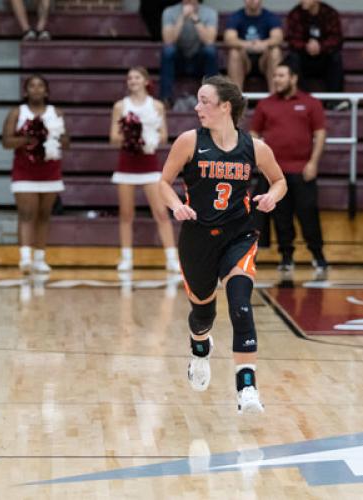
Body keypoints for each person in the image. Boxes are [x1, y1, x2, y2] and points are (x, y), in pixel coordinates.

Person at [159, 75, 287, 413]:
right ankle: (200, 349)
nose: (197, 107)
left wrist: (272, 197)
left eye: (204, 101)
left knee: (241, 305)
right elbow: (163, 183)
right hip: (197, 238)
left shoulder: (255, 147)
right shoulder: (189, 141)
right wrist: (176, 205)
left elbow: (280, 180)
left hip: (238, 236)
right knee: (203, 314)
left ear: (225, 106)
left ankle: (247, 388)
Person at [250, 61, 328, 274]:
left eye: (281, 75)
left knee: (308, 214)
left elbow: (320, 133)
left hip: (303, 170)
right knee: (280, 217)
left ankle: (318, 256)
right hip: (275, 174)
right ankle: (286, 257)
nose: (277, 79)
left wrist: (313, 162)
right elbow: (254, 133)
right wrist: (261, 159)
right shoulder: (265, 104)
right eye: (275, 76)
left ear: (293, 78)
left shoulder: (310, 103)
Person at [110, 66, 180, 273]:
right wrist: (131, 137)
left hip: (149, 165)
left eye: (137, 77)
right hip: (126, 164)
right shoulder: (120, 106)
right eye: (129, 77)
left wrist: (146, 138)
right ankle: (126, 258)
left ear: (145, 81)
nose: (132, 80)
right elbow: (113, 138)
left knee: (161, 212)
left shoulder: (157, 106)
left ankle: (171, 258)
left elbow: (163, 136)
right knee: (126, 214)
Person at [2, 74, 69, 274]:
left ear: (47, 91)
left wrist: (50, 135)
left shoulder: (56, 112)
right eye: (32, 86)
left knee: (44, 215)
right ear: (26, 91)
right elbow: (6, 142)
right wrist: (29, 138)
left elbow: (66, 143)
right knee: (26, 214)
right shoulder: (17, 112)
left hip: (50, 171)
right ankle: (25, 258)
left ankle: (40, 258)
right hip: (24, 171)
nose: (37, 89)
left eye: (41, 86)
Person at [286, 0, 347, 110]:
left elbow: (337, 39)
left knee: (336, 57)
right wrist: (306, 46)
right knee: (292, 59)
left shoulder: (330, 13)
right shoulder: (295, 14)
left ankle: (334, 101)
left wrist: (320, 47)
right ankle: (301, 100)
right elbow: (291, 40)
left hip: (323, 58)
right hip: (303, 58)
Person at [160, 0, 218, 106]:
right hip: (179, 61)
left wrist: (196, 20)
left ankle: (212, 97)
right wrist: (182, 17)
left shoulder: (210, 13)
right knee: (168, 51)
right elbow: (168, 40)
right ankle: (166, 99)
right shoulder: (169, 12)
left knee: (210, 51)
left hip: (198, 61)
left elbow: (209, 41)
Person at [224, 0, 283, 93]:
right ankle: (236, 99)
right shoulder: (236, 16)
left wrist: (263, 44)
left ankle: (275, 97)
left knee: (275, 51)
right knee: (234, 52)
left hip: (264, 60)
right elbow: (229, 39)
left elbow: (278, 38)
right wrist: (248, 45)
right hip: (244, 60)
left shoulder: (270, 16)